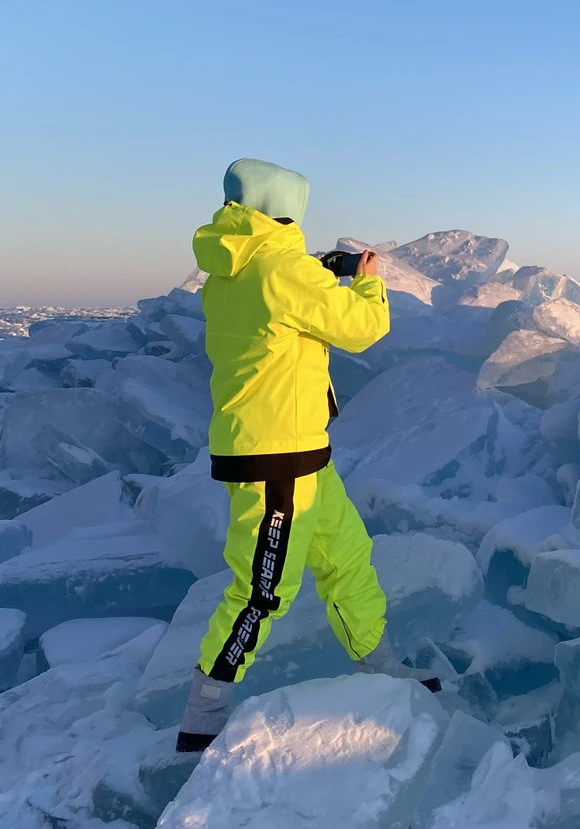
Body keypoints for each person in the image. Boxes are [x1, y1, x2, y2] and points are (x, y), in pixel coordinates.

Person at [176, 158, 437, 754]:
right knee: (265, 587)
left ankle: (379, 664)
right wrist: (367, 280)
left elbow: (279, 310)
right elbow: (362, 326)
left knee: (347, 554)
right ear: (286, 208)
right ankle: (205, 708)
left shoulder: (234, 267)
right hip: (276, 455)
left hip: (297, 446)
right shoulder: (279, 269)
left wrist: (315, 271)